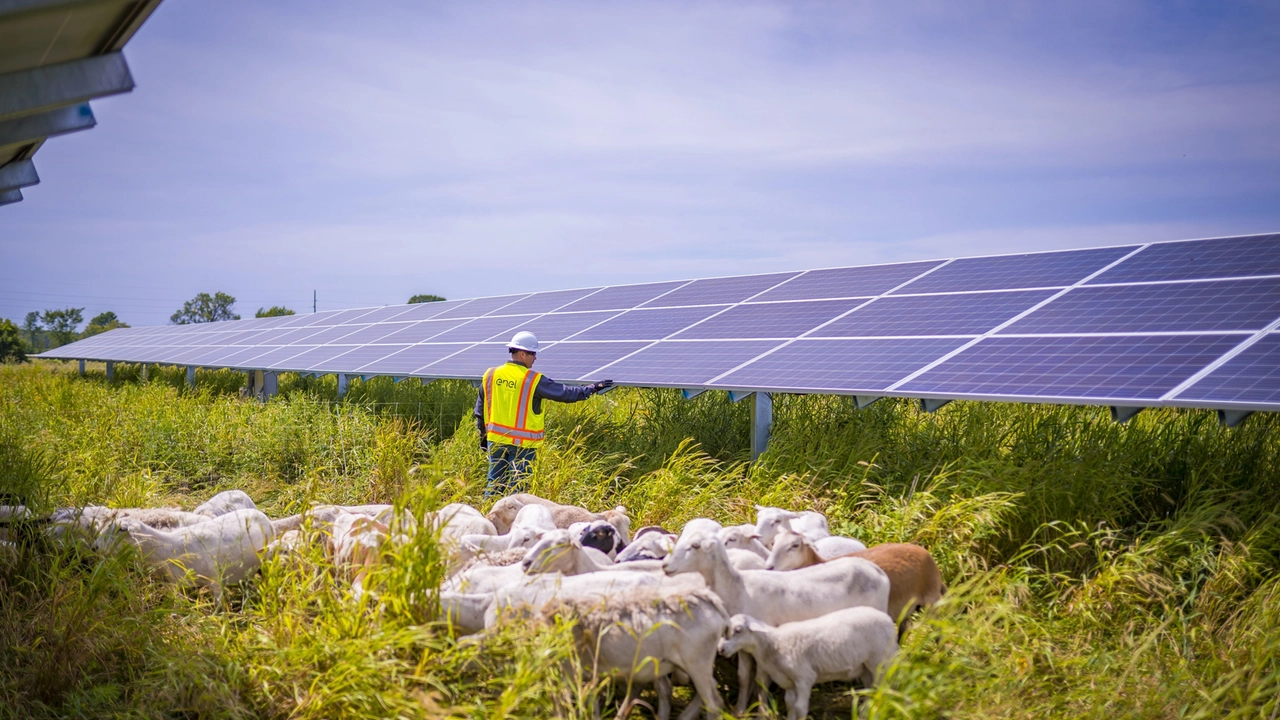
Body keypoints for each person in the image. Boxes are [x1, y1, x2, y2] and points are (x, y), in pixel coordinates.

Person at [475, 331, 613, 498]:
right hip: (523, 446)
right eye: (533, 354)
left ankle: (487, 518)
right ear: (522, 353)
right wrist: (591, 388)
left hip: (495, 441)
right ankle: (514, 523)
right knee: (518, 490)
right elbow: (564, 393)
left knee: (494, 484)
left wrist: (483, 436)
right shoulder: (533, 380)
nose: (535, 358)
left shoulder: (490, 374)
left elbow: (480, 411)